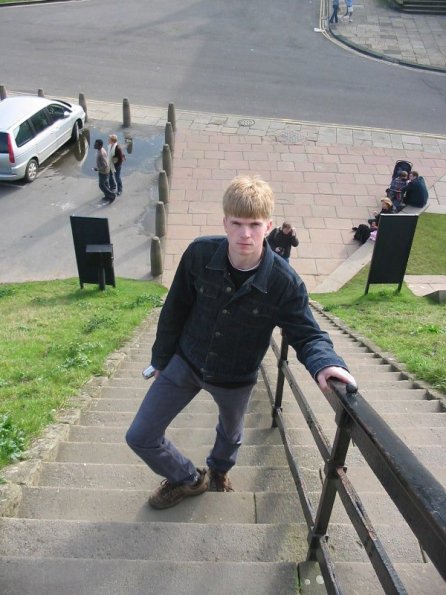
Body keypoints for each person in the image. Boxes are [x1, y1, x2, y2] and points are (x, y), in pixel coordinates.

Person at [125, 175, 357, 510]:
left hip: (236, 376)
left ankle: (219, 470)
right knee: (139, 435)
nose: (245, 234)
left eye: (254, 224)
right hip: (187, 362)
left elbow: (307, 332)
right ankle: (188, 478)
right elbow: (175, 308)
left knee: (230, 433)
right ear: (225, 222)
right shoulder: (199, 254)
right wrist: (161, 360)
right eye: (237, 223)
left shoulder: (284, 283)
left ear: (269, 227)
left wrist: (326, 363)